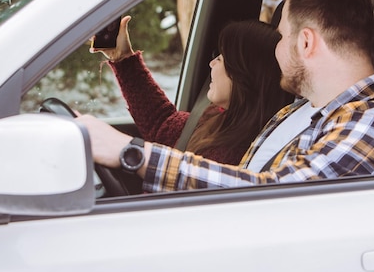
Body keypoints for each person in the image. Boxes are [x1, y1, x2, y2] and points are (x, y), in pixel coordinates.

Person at [78, 0, 374, 192]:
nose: (274, 50)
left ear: (306, 42)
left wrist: (131, 154)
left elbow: (275, 196)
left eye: (280, 37)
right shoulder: (301, 113)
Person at [92, 16, 292, 165]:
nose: (212, 62)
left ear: (244, 75)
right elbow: (162, 125)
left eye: (222, 58)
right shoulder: (219, 117)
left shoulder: (232, 155)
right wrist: (122, 57)